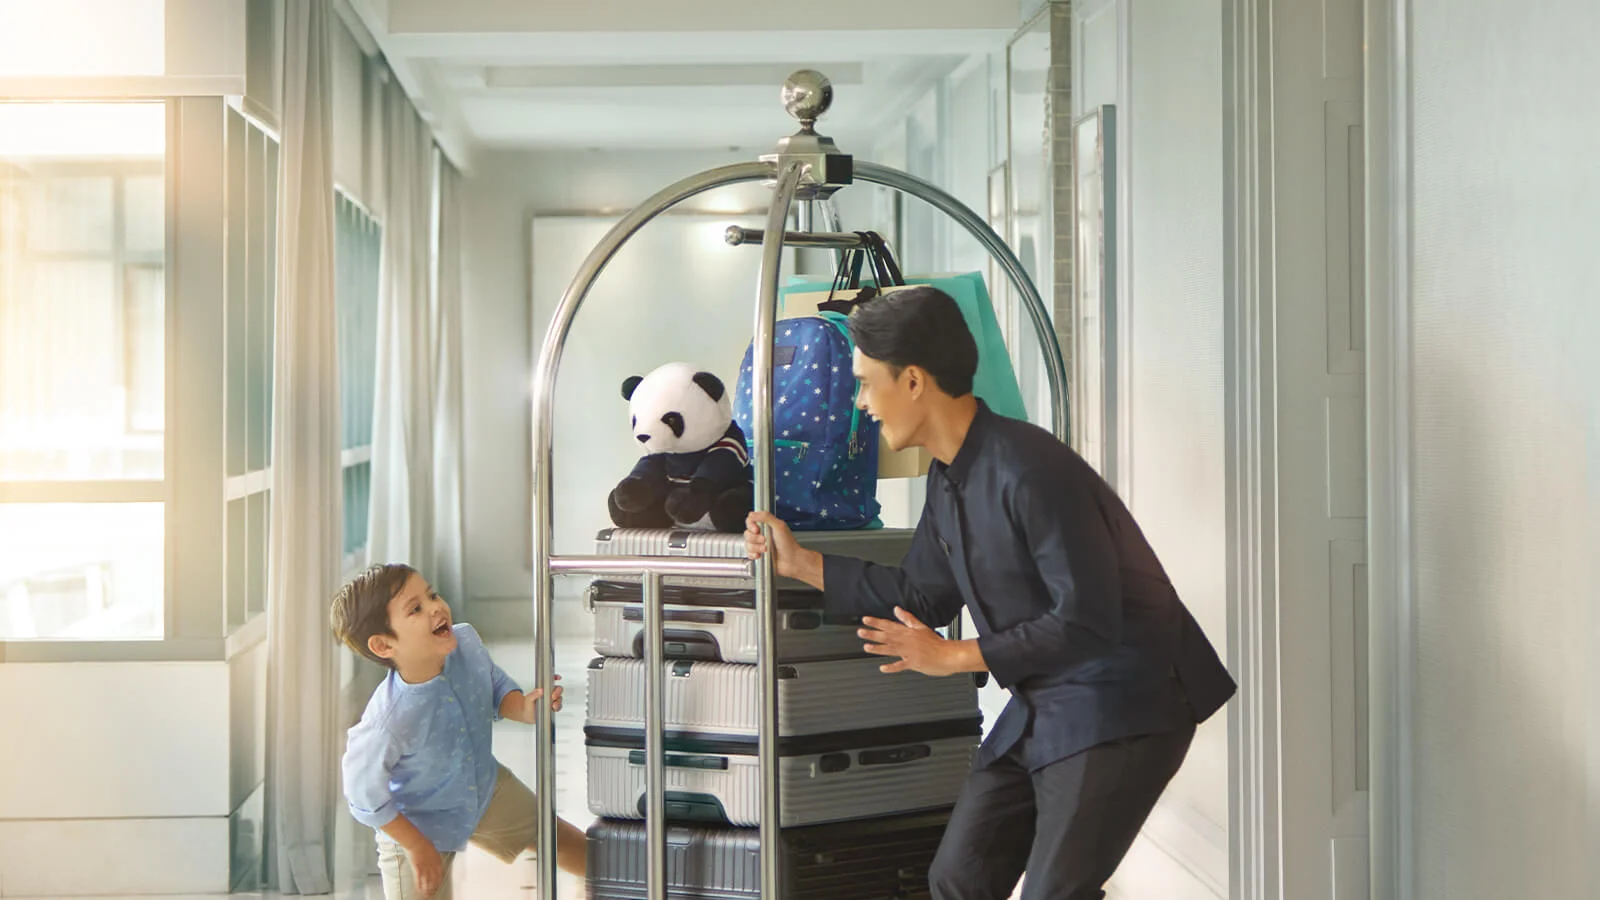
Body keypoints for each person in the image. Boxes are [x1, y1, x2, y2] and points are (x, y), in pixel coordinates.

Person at [745, 286, 1236, 900]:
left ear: (915, 381)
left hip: (1125, 703)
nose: (862, 403)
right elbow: (920, 594)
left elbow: (1084, 620)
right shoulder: (948, 475)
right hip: (1045, 699)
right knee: (959, 878)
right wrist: (802, 563)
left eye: (868, 384)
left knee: (1053, 892)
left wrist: (953, 657)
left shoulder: (1032, 469)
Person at [332, 563, 587, 899]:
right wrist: (415, 845)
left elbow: (494, 688)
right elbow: (364, 795)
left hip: (482, 789)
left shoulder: (465, 643)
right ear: (383, 646)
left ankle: (618, 886)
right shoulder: (386, 722)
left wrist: (524, 708)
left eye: (432, 594)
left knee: (567, 844)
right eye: (416, 608)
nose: (436, 607)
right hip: (417, 825)